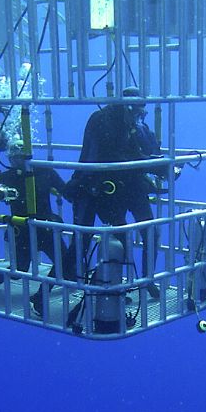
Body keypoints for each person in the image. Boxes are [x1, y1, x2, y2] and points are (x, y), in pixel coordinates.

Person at [67, 86, 162, 297]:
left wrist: (158, 163)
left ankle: (147, 280)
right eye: (136, 111)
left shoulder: (137, 125)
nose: (139, 115)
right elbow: (97, 156)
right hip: (107, 187)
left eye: (141, 112)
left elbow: (152, 151)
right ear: (125, 106)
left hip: (133, 183)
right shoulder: (102, 120)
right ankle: (98, 281)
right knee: (113, 235)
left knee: (151, 231)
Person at [0, 153, 74, 313]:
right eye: (13, 156)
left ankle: (41, 295)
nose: (17, 159)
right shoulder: (7, 177)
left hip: (46, 228)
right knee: (19, 270)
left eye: (20, 155)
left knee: (65, 263)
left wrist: (78, 187)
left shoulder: (45, 170)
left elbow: (65, 191)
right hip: (23, 232)